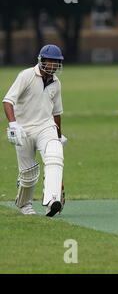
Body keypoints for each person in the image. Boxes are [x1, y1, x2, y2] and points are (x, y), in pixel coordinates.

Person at [3, 44, 67, 217]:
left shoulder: (56, 83)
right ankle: (24, 204)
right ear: (41, 60)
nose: (53, 65)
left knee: (54, 155)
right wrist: (13, 124)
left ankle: (52, 200)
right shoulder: (26, 75)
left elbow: (56, 113)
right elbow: (8, 101)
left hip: (46, 127)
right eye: (50, 61)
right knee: (28, 174)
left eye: (56, 62)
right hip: (23, 129)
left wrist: (59, 137)